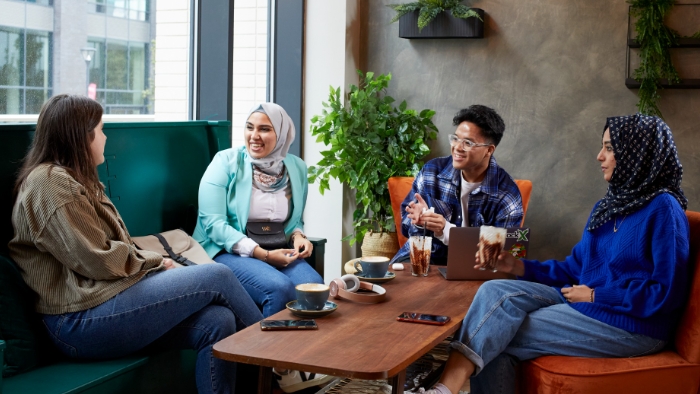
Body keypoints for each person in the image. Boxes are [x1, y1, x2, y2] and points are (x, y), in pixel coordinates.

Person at [8, 94, 264, 394]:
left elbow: (115, 247)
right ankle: (279, 352)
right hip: (76, 322)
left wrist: (152, 264)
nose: (105, 137)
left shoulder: (75, 179)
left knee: (216, 321)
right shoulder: (50, 184)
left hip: (102, 304)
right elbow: (98, 259)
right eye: (100, 129)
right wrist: (155, 262)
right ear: (81, 136)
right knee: (216, 275)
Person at [419, 113, 690, 394]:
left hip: (634, 325)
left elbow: (665, 294)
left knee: (499, 330)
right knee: (493, 291)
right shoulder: (608, 206)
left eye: (610, 148)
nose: (599, 156)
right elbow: (573, 269)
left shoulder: (664, 209)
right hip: (587, 300)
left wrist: (597, 295)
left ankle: (442, 389)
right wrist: (519, 267)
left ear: (637, 154)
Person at [193, 102, 330, 393]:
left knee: (313, 286)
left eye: (265, 129)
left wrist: (299, 237)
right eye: (250, 127)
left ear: (281, 134)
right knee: (277, 288)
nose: (254, 135)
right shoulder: (225, 161)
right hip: (226, 248)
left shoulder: (295, 167)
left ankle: (295, 371)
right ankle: (266, 380)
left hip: (275, 247)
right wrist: (262, 254)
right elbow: (212, 224)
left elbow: (292, 220)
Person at [391, 105, 523, 265]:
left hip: (473, 269)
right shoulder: (432, 171)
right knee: (386, 285)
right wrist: (418, 221)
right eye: (455, 138)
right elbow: (405, 227)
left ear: (489, 150)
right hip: (423, 261)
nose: (457, 147)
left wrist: (445, 229)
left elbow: (503, 256)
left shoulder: (507, 195)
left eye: (467, 142)